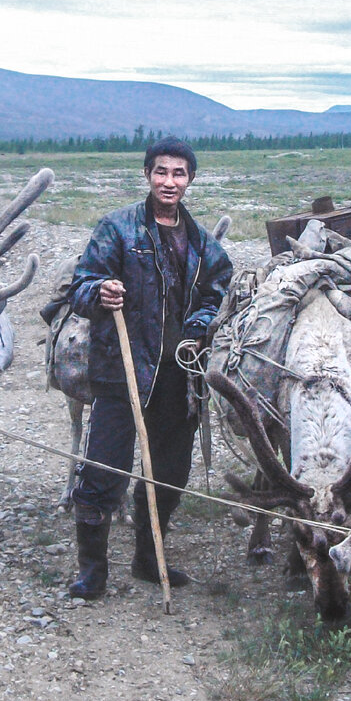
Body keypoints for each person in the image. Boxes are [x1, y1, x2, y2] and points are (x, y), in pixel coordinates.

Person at [67, 137, 232, 600]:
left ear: (190, 180)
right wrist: (100, 293)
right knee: (103, 470)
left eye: (179, 174)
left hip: (178, 376)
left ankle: (146, 556)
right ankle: (92, 570)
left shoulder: (202, 244)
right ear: (147, 175)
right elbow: (80, 286)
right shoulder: (116, 229)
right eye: (161, 172)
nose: (169, 181)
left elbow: (217, 289)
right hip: (122, 371)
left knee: (169, 473)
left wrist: (198, 324)